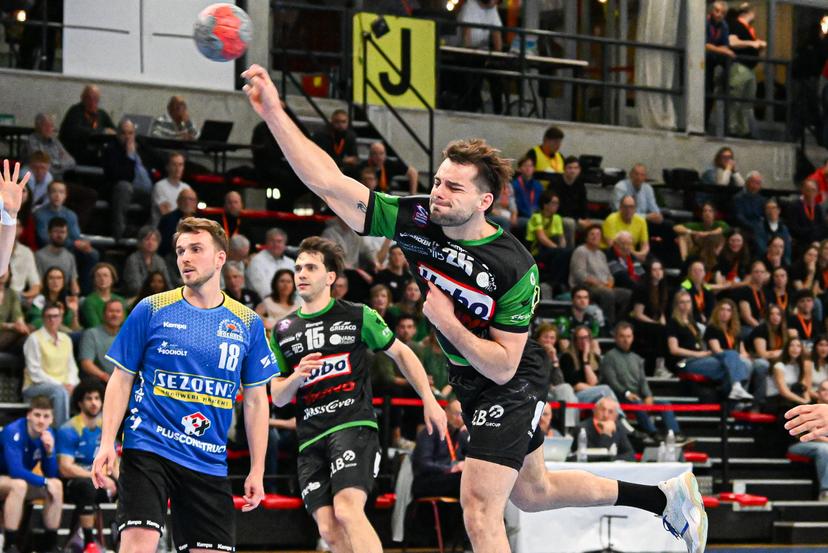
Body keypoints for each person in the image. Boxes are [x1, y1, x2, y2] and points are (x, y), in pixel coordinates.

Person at [243, 63, 707, 553]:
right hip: (470, 378)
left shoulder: (514, 267)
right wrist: (275, 112)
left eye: (453, 188)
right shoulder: (418, 218)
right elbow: (330, 183)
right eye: (439, 182)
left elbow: (506, 365)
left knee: (480, 508)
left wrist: (446, 324)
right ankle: (663, 499)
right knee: (533, 492)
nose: (439, 194)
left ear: (484, 200)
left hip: (513, 375)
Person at [91, 217, 277, 553]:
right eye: (179, 251)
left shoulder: (248, 322)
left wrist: (257, 468)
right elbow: (120, 380)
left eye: (195, 249)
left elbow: (256, 401)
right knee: (138, 544)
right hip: (148, 447)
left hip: (207, 459)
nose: (185, 258)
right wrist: (106, 443)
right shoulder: (152, 308)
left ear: (221, 257)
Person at [269, 236, 445, 553]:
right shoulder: (283, 330)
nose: (301, 274)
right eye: (298, 268)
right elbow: (278, 396)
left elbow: (403, 355)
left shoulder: (357, 314)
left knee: (348, 510)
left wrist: (429, 400)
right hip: (310, 440)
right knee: (329, 529)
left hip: (352, 426)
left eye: (311, 267)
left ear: (331, 277)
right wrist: (296, 376)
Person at [57, 381, 116, 553]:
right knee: (87, 486)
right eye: (89, 398)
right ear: (80, 403)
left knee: (132, 486)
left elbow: (115, 463)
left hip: (100, 480)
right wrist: (99, 477)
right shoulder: (69, 429)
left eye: (97, 398)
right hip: (72, 484)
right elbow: (65, 467)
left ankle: (120, 540)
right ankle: (89, 543)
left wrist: (122, 482)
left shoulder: (105, 428)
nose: (94, 402)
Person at [0, 396, 63, 553]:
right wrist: (45, 482)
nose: (41, 421)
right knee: (19, 485)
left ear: (52, 419)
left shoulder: (48, 434)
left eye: (46, 416)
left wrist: (49, 452)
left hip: (16, 480)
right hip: (5, 477)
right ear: (28, 415)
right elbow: (15, 471)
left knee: (57, 485)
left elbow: (51, 473)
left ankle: (51, 545)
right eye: (37, 415)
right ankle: (11, 545)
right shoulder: (13, 431)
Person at [600, 322, 681, 440]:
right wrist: (627, 393)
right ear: (616, 338)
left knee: (665, 404)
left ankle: (675, 433)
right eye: (622, 336)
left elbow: (643, 381)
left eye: (628, 336)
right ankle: (653, 432)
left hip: (637, 397)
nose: (625, 340)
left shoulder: (637, 358)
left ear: (632, 337)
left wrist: (648, 396)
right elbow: (612, 382)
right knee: (636, 402)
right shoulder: (609, 357)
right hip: (619, 398)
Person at [33, 181, 99, 293]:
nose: (57, 195)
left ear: (66, 195)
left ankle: (85, 292)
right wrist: (73, 243)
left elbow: (76, 236)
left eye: (61, 192)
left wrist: (83, 244)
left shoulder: (70, 214)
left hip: (68, 248)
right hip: (48, 248)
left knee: (92, 254)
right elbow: (44, 239)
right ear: (48, 194)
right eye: (54, 191)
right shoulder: (39, 214)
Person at [22, 301, 79, 426]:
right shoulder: (34, 339)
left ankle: (83, 435)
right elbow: (35, 373)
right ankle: (61, 433)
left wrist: (71, 383)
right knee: (60, 392)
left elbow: (72, 367)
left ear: (61, 318)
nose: (52, 320)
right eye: (48, 316)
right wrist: (61, 385)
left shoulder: (66, 339)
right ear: (43, 318)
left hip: (62, 386)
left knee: (86, 391)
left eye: (55, 316)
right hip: (35, 387)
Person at [570, 225, 632, 326]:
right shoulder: (581, 251)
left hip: (604, 286)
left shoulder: (601, 254)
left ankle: (620, 323)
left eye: (598, 234)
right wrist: (598, 283)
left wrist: (610, 282)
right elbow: (579, 275)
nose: (595, 237)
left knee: (627, 294)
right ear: (586, 237)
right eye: (592, 234)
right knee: (607, 293)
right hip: (586, 288)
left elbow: (609, 274)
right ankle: (608, 324)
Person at [102, 119, 153, 241]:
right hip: (121, 189)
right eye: (124, 133)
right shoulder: (111, 149)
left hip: (145, 191)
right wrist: (130, 156)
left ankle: (151, 232)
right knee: (124, 187)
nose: (127, 137)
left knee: (161, 192)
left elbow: (158, 160)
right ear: (118, 134)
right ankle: (120, 232)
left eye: (130, 133)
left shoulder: (140, 147)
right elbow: (122, 176)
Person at [454, 0, 504, 114]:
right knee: (473, 70)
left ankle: (498, 111)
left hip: (483, 53)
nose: (496, 3)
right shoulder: (469, 6)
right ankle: (471, 107)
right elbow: (467, 37)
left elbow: (497, 35)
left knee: (497, 73)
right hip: (466, 52)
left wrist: (497, 56)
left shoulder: (493, 8)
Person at [412, 399, 469, 499]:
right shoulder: (431, 430)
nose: (460, 419)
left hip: (450, 479)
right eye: (457, 414)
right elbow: (422, 464)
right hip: (427, 481)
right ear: (446, 413)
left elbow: (473, 456)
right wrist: (450, 468)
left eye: (463, 415)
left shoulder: (461, 434)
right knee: (464, 482)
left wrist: (469, 435)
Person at [726, 3, 766, 137]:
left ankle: (743, 130)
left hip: (749, 68)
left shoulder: (749, 29)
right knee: (736, 99)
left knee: (747, 102)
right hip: (740, 67)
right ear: (750, 12)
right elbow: (732, 41)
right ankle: (733, 128)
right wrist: (752, 43)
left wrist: (757, 47)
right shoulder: (736, 25)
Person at [702, 299, 755, 400]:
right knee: (744, 363)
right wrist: (735, 356)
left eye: (728, 310)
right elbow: (716, 350)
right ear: (717, 311)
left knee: (756, 363)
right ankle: (737, 391)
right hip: (719, 358)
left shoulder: (735, 330)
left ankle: (740, 392)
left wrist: (742, 356)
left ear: (732, 314)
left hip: (735, 358)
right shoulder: (712, 328)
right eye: (722, 309)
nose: (725, 313)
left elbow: (743, 351)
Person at [786, 379, 828, 501]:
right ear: (817, 392)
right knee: (825, 448)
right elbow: (807, 434)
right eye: (824, 389)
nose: (827, 393)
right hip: (801, 444)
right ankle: (826, 492)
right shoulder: (807, 408)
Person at [59, 84, 116, 165]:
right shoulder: (75, 111)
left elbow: (113, 130)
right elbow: (77, 131)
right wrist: (102, 131)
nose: (92, 101)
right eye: (88, 98)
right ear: (82, 98)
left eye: (95, 98)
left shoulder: (102, 114)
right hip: (76, 155)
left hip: (97, 154)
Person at [526, 190, 570, 287]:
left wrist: (562, 248)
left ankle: (559, 282)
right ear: (545, 205)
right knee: (560, 253)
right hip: (537, 251)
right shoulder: (536, 217)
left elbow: (561, 237)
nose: (556, 206)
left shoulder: (557, 218)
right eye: (553, 203)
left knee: (567, 252)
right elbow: (542, 238)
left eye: (557, 203)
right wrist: (558, 249)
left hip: (552, 249)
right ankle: (554, 282)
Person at [704, 2, 736, 126]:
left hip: (713, 60)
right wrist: (720, 49)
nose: (719, 14)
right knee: (705, 91)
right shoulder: (705, 23)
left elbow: (725, 45)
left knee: (710, 94)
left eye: (722, 13)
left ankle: (726, 87)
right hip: (702, 61)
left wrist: (718, 49)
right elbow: (704, 44)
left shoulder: (724, 25)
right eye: (717, 11)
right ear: (712, 11)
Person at [547, 156, 589, 248]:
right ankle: (570, 252)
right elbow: (557, 208)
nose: (573, 171)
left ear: (579, 170)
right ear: (564, 169)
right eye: (570, 168)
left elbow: (584, 204)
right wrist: (578, 219)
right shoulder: (556, 183)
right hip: (557, 217)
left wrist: (585, 219)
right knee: (570, 223)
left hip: (576, 218)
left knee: (597, 225)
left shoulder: (580, 184)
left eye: (575, 168)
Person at [79, 300, 125, 384]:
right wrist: (104, 376)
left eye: (118, 311)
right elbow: (86, 364)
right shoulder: (91, 334)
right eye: (111, 311)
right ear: (103, 315)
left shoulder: (128, 335)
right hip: (102, 381)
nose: (114, 315)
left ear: (123, 316)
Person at [577, 397, 635, 462]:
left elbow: (630, 455)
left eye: (610, 412)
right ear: (594, 410)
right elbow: (597, 458)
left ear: (616, 416)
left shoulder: (618, 428)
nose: (605, 415)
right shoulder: (582, 428)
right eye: (602, 410)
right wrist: (606, 433)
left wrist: (613, 460)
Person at [122, 226, 172, 297]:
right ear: (140, 242)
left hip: (158, 298)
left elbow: (167, 284)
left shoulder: (160, 260)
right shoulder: (133, 259)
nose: (150, 242)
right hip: (136, 298)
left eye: (154, 240)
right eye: (147, 239)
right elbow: (134, 286)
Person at [21, 113, 76, 178]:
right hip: (37, 175)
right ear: (38, 127)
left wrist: (57, 164)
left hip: (57, 175)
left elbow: (71, 161)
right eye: (45, 125)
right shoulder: (32, 141)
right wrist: (59, 164)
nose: (49, 129)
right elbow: (40, 163)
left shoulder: (55, 142)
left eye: (51, 126)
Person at [247, 228, 295, 300]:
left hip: (290, 305)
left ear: (284, 244)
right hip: (264, 305)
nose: (275, 244)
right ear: (266, 242)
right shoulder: (256, 261)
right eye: (272, 241)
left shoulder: (291, 263)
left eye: (279, 241)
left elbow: (298, 289)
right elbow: (263, 291)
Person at [27, 267, 80, 332]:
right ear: (46, 281)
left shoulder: (67, 301)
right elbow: (36, 322)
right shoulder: (40, 299)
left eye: (59, 278)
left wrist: (74, 313)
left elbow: (75, 329)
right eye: (51, 278)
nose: (55, 281)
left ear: (64, 281)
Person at [602, 195, 650, 261]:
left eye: (631, 207)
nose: (628, 210)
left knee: (654, 264)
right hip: (612, 253)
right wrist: (635, 255)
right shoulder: (611, 219)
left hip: (632, 253)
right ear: (620, 208)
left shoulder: (641, 220)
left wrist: (642, 254)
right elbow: (613, 246)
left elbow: (645, 244)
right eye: (625, 207)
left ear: (635, 208)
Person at [151, 152, 192, 226]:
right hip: (163, 230)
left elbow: (189, 214)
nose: (178, 168)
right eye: (174, 164)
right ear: (167, 167)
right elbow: (166, 213)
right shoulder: (160, 186)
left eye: (180, 165)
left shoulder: (186, 188)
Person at [80, 263, 124, 329]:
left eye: (105, 275)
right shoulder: (89, 301)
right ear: (94, 280)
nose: (102, 279)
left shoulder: (120, 300)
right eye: (98, 276)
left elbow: (126, 324)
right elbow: (95, 325)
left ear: (112, 279)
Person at [158, 188, 198, 258]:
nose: (187, 202)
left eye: (191, 199)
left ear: (195, 203)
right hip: (172, 257)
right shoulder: (167, 219)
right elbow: (162, 245)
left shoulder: (202, 221)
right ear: (178, 202)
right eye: (184, 199)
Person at [787, 179, 828, 248]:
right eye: (808, 190)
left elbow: (822, 227)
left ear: (817, 192)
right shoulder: (794, 206)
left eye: (813, 190)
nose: (810, 193)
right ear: (802, 190)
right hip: (801, 243)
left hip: (817, 243)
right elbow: (794, 229)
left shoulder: (818, 208)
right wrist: (811, 237)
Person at [731, 171, 766, 250]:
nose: (756, 186)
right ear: (747, 183)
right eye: (754, 182)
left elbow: (765, 216)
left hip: (760, 226)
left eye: (759, 183)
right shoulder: (737, 198)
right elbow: (739, 217)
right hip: (745, 227)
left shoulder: (762, 200)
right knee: (758, 235)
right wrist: (753, 226)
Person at [737, 260, 770, 332]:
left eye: (762, 272)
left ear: (765, 274)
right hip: (746, 327)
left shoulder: (766, 291)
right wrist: (762, 329)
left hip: (762, 324)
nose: (759, 274)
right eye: (756, 272)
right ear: (751, 274)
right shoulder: (745, 291)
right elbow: (746, 317)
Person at [0, 271, 29, 352]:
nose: (2, 272)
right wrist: (11, 326)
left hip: (7, 337)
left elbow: (17, 314)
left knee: (27, 340)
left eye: (5, 269)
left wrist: (22, 326)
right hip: (6, 333)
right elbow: (13, 326)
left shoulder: (11, 293)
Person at [511, 156, 544, 230]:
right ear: (519, 169)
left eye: (530, 166)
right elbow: (515, 204)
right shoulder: (514, 185)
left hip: (537, 215)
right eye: (525, 165)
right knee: (531, 223)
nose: (528, 168)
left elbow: (541, 203)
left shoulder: (538, 186)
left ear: (534, 169)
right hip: (521, 216)